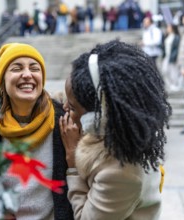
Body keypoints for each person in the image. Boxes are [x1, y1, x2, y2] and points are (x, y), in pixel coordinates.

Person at [59, 40, 171, 219]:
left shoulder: (121, 174)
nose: (64, 107)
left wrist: (72, 162)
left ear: (97, 119)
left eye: (72, 107)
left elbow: (83, 217)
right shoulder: (124, 129)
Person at [0, 43, 73, 219]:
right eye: (16, 68)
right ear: (3, 80)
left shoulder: (63, 120)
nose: (27, 75)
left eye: (34, 68)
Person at [161, 23, 180, 91]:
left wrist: (174, 56)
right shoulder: (167, 36)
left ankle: (174, 84)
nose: (167, 29)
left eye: (169, 27)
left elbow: (176, 48)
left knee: (173, 71)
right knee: (164, 71)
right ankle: (169, 84)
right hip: (167, 56)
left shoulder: (176, 37)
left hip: (173, 56)